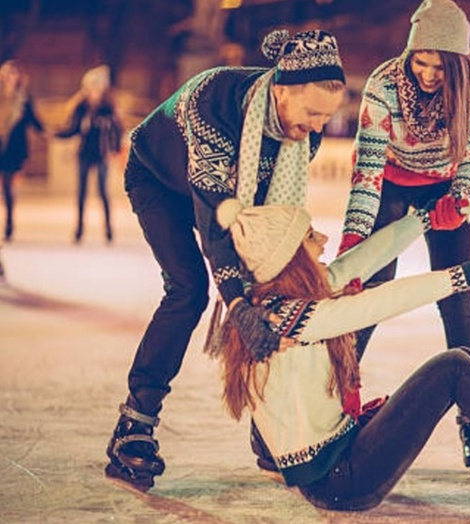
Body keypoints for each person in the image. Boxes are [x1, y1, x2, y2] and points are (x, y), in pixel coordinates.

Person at [214, 197, 470, 511]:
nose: (322, 239)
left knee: (459, 362)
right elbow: (383, 301)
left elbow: (360, 259)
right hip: (342, 481)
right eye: (310, 237)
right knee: (453, 367)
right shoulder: (284, 319)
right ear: (288, 257)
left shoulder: (276, 302)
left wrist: (424, 219)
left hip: (345, 456)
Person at [104, 29, 348, 492]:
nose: (317, 127)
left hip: (224, 199)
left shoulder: (300, 134)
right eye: (313, 113)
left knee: (273, 291)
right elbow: (218, 222)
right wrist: (235, 302)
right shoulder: (213, 103)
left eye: (327, 117)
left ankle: (270, 430)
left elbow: (269, 223)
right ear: (280, 90)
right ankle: (135, 425)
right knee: (188, 290)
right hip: (157, 178)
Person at [336, 0, 470, 476]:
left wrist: (462, 195)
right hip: (389, 185)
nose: (426, 73)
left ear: (459, 62)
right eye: (419, 61)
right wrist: (354, 240)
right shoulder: (384, 85)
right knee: (368, 296)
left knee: (457, 295)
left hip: (447, 184)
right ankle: (336, 402)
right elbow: (366, 171)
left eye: (438, 65)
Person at [55, 65, 123, 243]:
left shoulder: (108, 108)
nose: (93, 90)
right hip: (84, 153)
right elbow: (73, 129)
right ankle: (79, 229)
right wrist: (55, 134)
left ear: (102, 88)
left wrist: (114, 151)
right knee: (81, 193)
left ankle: (108, 228)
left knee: (103, 192)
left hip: (102, 155)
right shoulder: (81, 107)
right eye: (90, 87)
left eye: (96, 86)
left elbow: (117, 131)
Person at [0, 59, 44, 242]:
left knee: (8, 186)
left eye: (13, 74)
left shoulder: (24, 98)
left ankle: (9, 223)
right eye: (7, 74)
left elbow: (33, 119)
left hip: (13, 148)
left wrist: (46, 132)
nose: (10, 78)